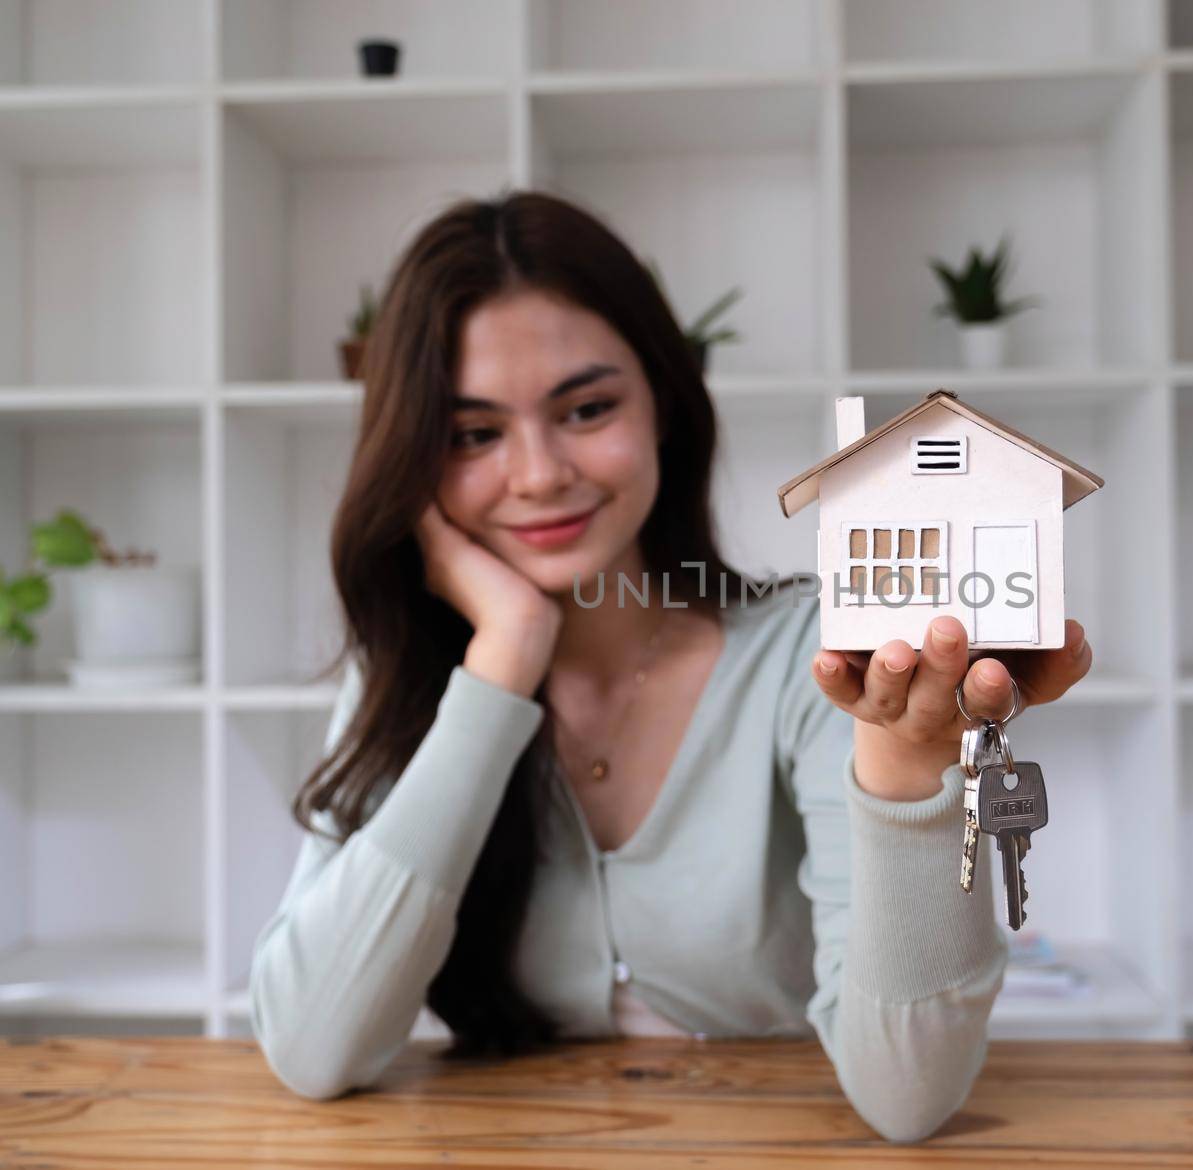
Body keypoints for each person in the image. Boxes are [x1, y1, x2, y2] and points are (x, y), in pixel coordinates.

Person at [248, 190, 1094, 1143]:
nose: (537, 474)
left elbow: (909, 1100)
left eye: (587, 407)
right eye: (474, 434)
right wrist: (502, 662)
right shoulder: (411, 674)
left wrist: (907, 769)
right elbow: (313, 1048)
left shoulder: (819, 665)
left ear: (664, 406)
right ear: (413, 462)